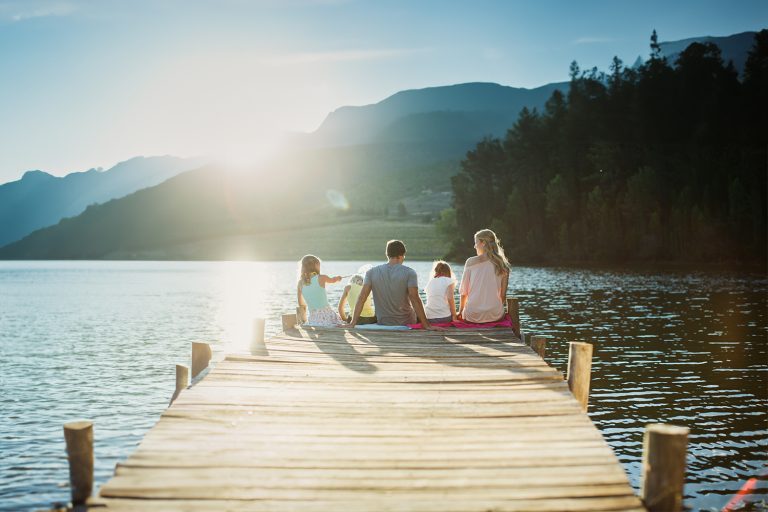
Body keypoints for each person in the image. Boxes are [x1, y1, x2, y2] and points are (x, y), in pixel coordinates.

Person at [349, 240, 435, 329]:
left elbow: (362, 297)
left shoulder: (371, 272)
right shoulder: (410, 272)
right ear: (402, 255)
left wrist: (352, 323)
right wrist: (427, 325)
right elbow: (415, 299)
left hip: (383, 321)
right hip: (406, 321)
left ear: (387, 254)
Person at [458, 229, 510, 323]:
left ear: (483, 243)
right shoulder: (503, 265)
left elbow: (464, 292)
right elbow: (502, 295)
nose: (474, 246)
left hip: (473, 315)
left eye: (476, 242)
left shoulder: (470, 262)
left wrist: (460, 311)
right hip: (495, 314)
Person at [296, 254, 343, 326]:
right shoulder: (322, 277)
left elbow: (301, 304)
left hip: (313, 319)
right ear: (316, 265)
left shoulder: (300, 283)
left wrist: (304, 319)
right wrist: (337, 278)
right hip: (327, 317)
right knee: (339, 320)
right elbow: (332, 280)